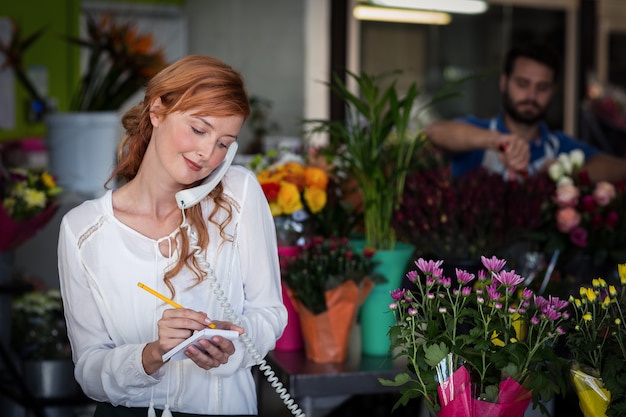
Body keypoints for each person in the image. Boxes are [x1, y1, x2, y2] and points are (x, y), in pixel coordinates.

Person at [57, 55, 287, 416]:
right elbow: (88, 370)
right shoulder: (83, 229)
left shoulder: (237, 193)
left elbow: (270, 313)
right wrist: (150, 354)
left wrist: (234, 339)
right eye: (199, 129)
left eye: (224, 143)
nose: (207, 153)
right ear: (157, 110)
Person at [425, 42, 626, 183]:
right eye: (522, 84)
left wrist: (564, 172)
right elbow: (436, 132)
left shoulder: (559, 146)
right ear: (504, 83)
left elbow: (617, 167)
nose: (531, 95)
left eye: (542, 87)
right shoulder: (478, 133)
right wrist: (498, 142)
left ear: (553, 91)